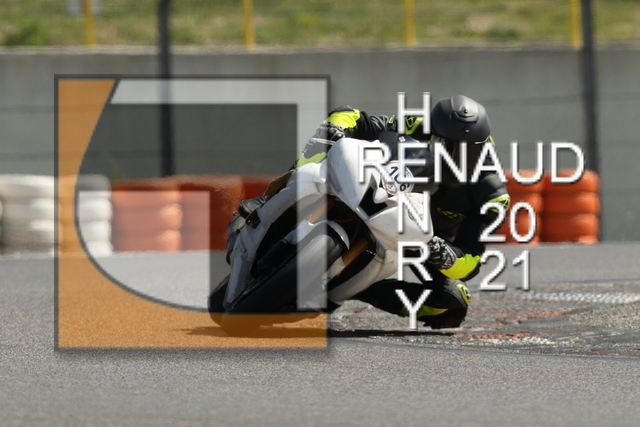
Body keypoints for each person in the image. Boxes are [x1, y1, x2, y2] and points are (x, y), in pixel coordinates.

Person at [295, 95, 510, 329]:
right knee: (321, 149)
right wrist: (334, 128)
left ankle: (354, 289)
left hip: (425, 240)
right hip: (378, 195)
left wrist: (446, 255)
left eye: (470, 151)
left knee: (452, 302)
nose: (457, 160)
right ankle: (283, 195)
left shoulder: (492, 195)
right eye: (449, 148)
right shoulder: (416, 125)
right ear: (433, 136)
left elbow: (471, 260)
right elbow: (351, 115)